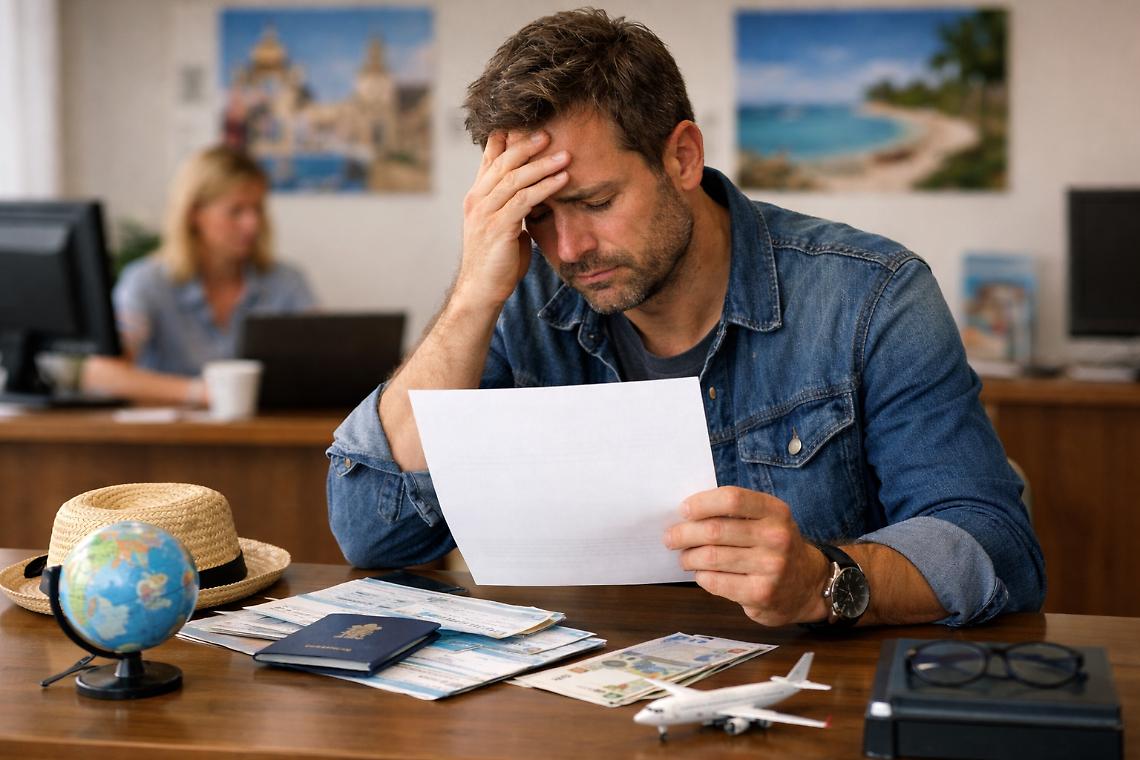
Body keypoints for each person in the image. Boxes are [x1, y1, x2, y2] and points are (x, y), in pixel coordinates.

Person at [326, 9, 1045, 628]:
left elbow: (995, 545)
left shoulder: (874, 298)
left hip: (813, 701)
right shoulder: (515, 306)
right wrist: (474, 298)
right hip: (577, 708)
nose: (568, 250)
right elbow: (371, 535)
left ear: (682, 156)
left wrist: (822, 581)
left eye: (597, 202)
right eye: (536, 215)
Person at [82, 145, 316, 405]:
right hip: (173, 440)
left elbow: (325, 364)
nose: (253, 224)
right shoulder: (148, 282)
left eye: (258, 209)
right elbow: (102, 375)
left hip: (268, 437)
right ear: (194, 213)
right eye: (236, 211)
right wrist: (204, 393)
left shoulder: (286, 283)